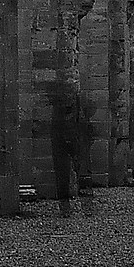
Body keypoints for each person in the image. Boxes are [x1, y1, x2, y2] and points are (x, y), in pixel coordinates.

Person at [50, 82, 91, 219]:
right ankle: (69, 204)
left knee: (71, 170)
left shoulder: (69, 107)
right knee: (67, 171)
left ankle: (75, 203)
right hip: (68, 139)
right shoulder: (66, 108)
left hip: (71, 138)